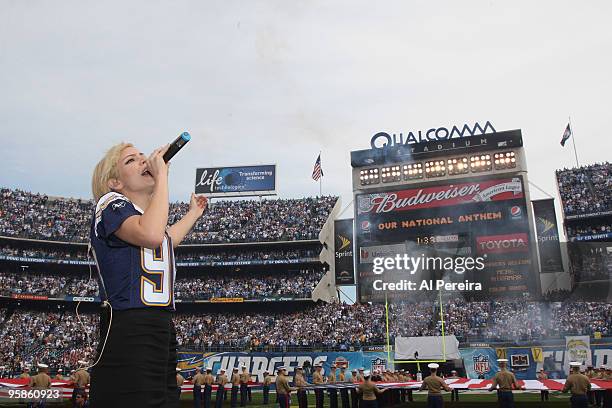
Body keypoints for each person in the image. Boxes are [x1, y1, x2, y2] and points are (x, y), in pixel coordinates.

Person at [88, 142, 208, 408]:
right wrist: (162, 176)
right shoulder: (109, 203)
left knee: (163, 400)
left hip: (160, 324)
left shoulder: (143, 217)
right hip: (130, 323)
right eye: (132, 160)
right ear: (115, 182)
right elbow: (153, 236)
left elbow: (164, 240)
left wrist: (192, 215)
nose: (144, 161)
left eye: (143, 156)